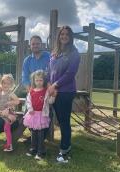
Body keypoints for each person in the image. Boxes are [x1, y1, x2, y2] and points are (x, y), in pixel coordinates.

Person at [48, 26, 80, 163]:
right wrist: (49, 85)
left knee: (64, 121)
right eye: (62, 34)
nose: (64, 36)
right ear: (59, 36)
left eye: (67, 34)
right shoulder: (54, 52)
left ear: (70, 36)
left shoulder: (74, 53)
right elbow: (49, 71)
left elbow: (70, 73)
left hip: (66, 92)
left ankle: (65, 149)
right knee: (57, 120)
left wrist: (55, 85)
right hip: (53, 91)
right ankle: (62, 145)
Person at [23, 70, 55, 160]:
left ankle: (41, 151)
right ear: (34, 81)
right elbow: (28, 101)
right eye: (37, 80)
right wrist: (30, 109)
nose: (39, 82)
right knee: (33, 133)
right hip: (33, 115)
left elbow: (49, 101)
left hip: (42, 115)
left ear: (44, 81)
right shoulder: (31, 91)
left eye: (41, 80)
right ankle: (33, 149)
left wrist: (53, 96)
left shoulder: (46, 91)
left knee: (41, 134)